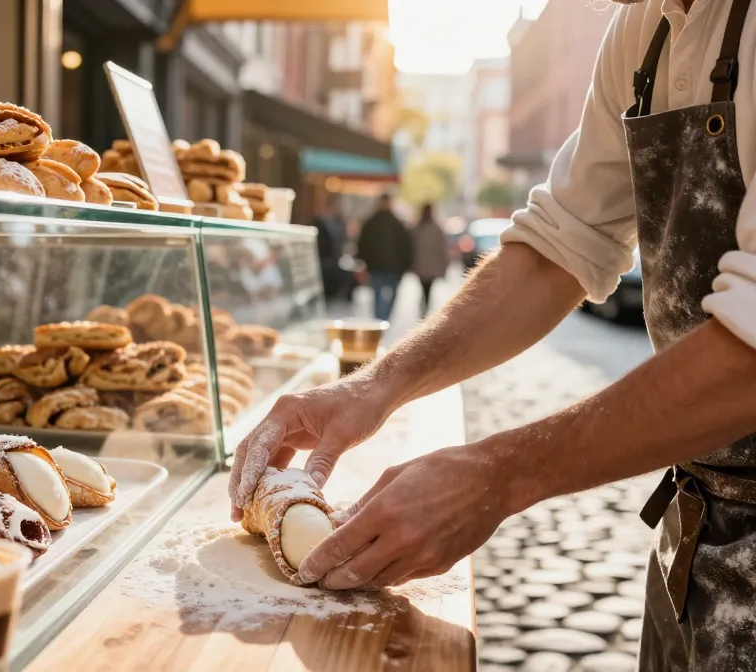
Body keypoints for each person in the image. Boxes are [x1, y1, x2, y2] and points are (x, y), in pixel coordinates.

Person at [228, 1, 756, 669]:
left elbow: (750, 355)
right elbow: (560, 245)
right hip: (698, 541)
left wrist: (498, 474)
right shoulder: (642, 29)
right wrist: (374, 387)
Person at [356, 194, 413, 322]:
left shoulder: (371, 222)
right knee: (390, 295)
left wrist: (364, 262)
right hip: (392, 268)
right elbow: (407, 246)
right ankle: (384, 318)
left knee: (377, 295)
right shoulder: (397, 223)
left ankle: (379, 319)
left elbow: (362, 244)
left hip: (377, 267)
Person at [410, 203, 450, 317]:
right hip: (431, 266)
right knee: (427, 289)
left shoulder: (418, 228)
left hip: (421, 266)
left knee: (424, 288)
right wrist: (445, 264)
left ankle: (423, 309)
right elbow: (443, 249)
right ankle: (424, 309)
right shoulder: (436, 229)